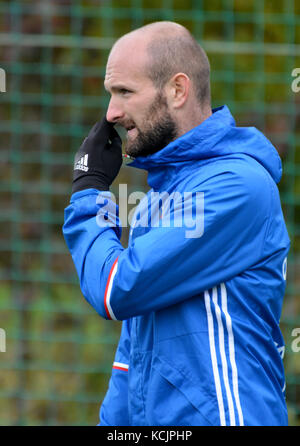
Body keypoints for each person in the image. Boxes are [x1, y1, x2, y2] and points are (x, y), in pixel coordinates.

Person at [63, 21, 290, 426]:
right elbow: (134, 355)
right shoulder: (161, 197)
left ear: (178, 90)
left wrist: (88, 193)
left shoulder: (236, 187)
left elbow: (117, 287)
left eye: (125, 92)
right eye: (110, 95)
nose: (111, 113)